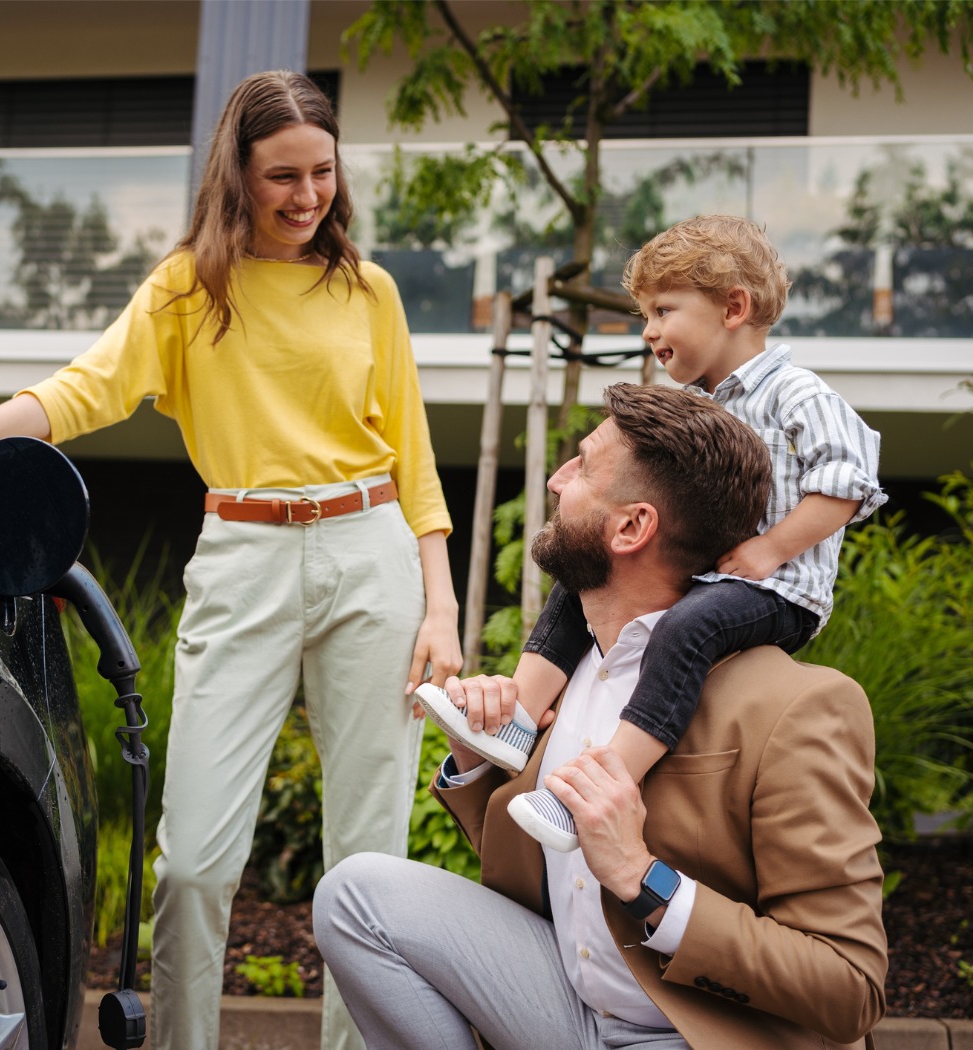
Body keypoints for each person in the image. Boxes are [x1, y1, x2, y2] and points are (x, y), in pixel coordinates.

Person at [0, 70, 461, 1050]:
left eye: (321, 172)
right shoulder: (189, 286)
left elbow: (413, 458)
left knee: (367, 857)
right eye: (281, 176)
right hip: (242, 557)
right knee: (193, 860)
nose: (306, 195)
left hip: (372, 558)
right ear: (236, 176)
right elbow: (86, 390)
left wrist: (440, 609)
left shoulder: (368, 290)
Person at [314, 382, 888, 1049]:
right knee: (356, 895)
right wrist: (474, 763)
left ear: (631, 527)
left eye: (582, 467)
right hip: (563, 1006)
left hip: (691, 1033)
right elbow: (550, 874)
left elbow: (851, 987)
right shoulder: (571, 671)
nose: (558, 482)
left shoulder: (798, 705)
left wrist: (644, 880)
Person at [416, 214, 885, 852]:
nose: (649, 330)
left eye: (664, 310)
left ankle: (603, 784)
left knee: (689, 629)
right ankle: (517, 719)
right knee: (580, 578)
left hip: (776, 590)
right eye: (646, 313)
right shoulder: (705, 405)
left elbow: (849, 481)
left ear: (733, 307)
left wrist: (770, 551)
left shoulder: (797, 394)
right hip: (712, 571)